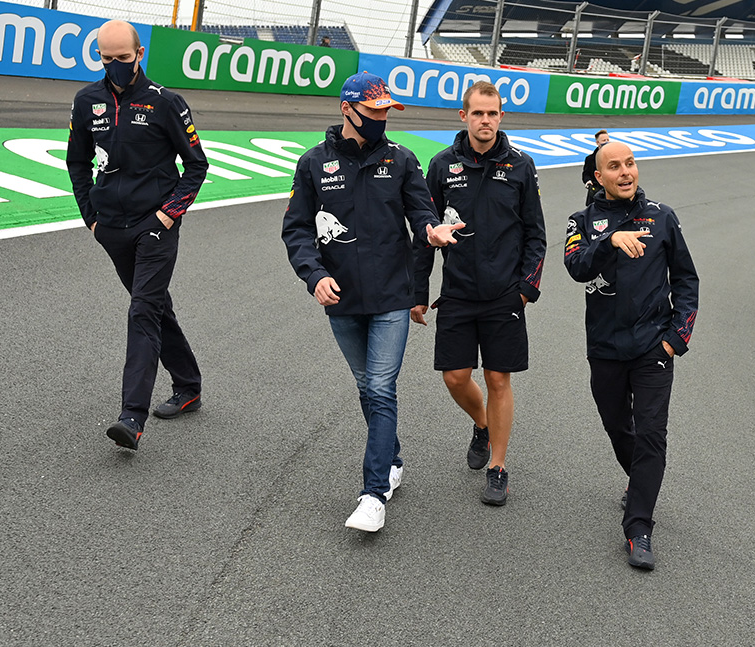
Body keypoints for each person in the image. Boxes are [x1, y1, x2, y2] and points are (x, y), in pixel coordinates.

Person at [282, 72, 462, 532]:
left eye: (386, 111)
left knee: (381, 388)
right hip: (340, 299)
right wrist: (314, 276)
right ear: (347, 110)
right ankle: (393, 459)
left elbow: (420, 210)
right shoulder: (312, 164)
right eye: (374, 111)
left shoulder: (401, 160)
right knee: (367, 388)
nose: (382, 119)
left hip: (390, 297)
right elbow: (297, 230)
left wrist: (432, 229)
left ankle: (373, 492)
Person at [67, 19, 207, 451]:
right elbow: (77, 163)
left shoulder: (167, 102)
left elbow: (197, 167)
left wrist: (167, 216)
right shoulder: (86, 100)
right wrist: (91, 218)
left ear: (139, 54)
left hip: (155, 227)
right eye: (106, 59)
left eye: (123, 59)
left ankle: (132, 416)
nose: (115, 66)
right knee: (156, 307)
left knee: (142, 311)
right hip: (111, 228)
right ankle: (189, 385)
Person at [563, 142, 698, 570]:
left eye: (631, 164)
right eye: (614, 167)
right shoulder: (581, 220)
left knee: (653, 436)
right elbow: (576, 266)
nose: (626, 172)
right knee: (619, 427)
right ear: (598, 177)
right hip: (604, 348)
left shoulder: (662, 216)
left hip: (653, 348)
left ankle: (638, 526)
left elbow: (687, 280)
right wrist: (609, 241)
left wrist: (676, 337)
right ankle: (638, 479)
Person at [413, 81, 546, 507]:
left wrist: (526, 289)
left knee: (498, 378)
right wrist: (419, 291)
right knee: (454, 377)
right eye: (478, 113)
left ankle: (498, 467)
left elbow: (535, 235)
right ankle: (482, 424)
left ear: (501, 116)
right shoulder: (440, 165)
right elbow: (424, 233)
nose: (485, 120)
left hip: (505, 294)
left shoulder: (522, 166)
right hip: (458, 292)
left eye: (493, 113)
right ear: (464, 116)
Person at [581, 129, 610, 205]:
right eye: (604, 140)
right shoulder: (590, 159)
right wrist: (588, 181)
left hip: (611, 192)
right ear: (598, 143)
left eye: (608, 140)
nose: (606, 142)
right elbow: (586, 174)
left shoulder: (615, 157)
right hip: (596, 194)